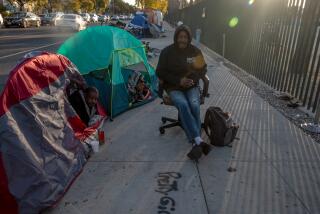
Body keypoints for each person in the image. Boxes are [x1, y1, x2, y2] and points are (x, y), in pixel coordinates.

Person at [156, 25, 211, 161]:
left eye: (185, 37)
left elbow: (203, 69)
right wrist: (179, 80)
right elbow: (160, 72)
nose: (182, 40)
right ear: (176, 37)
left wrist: (192, 80)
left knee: (194, 105)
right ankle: (198, 141)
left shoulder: (195, 51)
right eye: (180, 37)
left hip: (191, 86)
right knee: (183, 104)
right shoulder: (167, 52)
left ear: (188, 38)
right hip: (173, 87)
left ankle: (196, 143)